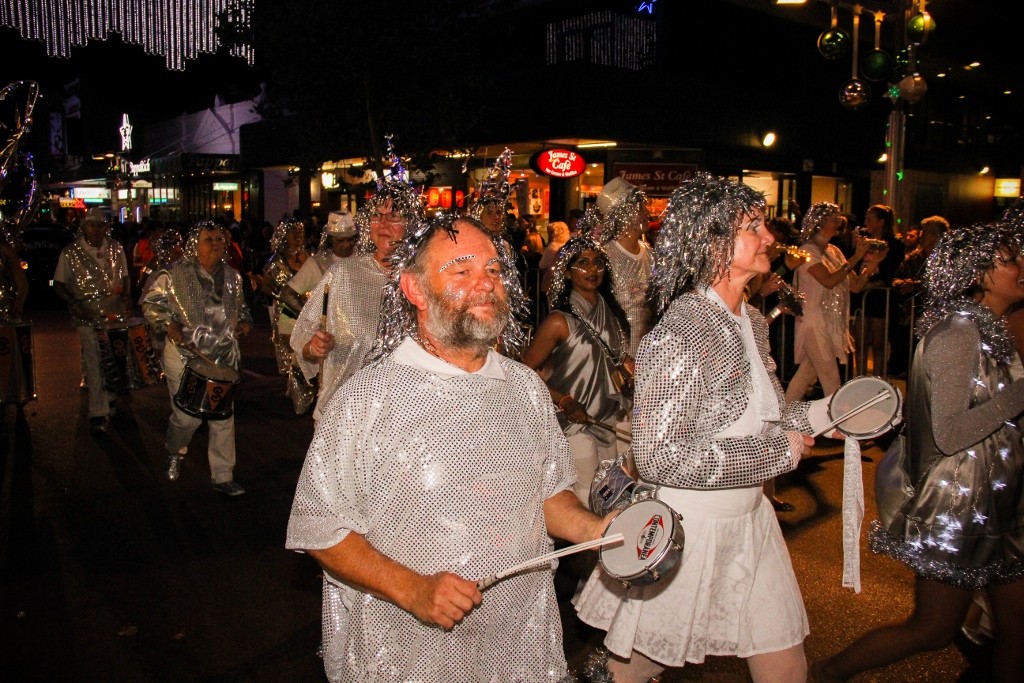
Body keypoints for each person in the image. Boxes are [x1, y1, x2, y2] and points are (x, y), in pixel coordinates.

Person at [285, 213, 612, 683]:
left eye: (494, 270)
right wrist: (413, 590)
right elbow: (320, 526)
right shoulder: (368, 398)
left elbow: (547, 497)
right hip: (409, 652)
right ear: (415, 290)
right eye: (461, 270)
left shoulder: (524, 388)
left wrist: (596, 528)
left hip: (518, 645)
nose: (486, 284)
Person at [575, 173, 842, 683]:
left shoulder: (753, 321)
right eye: (754, 228)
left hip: (751, 522)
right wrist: (774, 455)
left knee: (787, 666)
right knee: (633, 668)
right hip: (688, 532)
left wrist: (836, 414)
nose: (769, 238)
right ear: (712, 243)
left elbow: (769, 414)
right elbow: (661, 457)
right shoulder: (679, 333)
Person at [813, 221, 1024, 682]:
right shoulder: (958, 334)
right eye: (1010, 260)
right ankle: (826, 673)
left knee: (1018, 627)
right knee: (932, 630)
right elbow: (949, 434)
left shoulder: (996, 330)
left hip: (1002, 498)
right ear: (979, 272)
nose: (1021, 266)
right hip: (962, 508)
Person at [289, 180, 422, 421]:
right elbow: (303, 337)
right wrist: (315, 347)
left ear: (411, 223)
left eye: (393, 216)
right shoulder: (343, 274)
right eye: (376, 216)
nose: (382, 224)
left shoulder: (425, 278)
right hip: (344, 414)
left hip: (405, 416)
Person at [142, 221, 252, 496]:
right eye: (209, 239)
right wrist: (169, 324)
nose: (216, 243)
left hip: (223, 357)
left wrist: (244, 323)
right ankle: (174, 450)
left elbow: (243, 310)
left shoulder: (233, 277)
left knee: (223, 417)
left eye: (219, 238)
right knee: (186, 416)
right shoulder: (174, 274)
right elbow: (150, 303)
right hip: (184, 355)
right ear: (195, 245)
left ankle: (223, 475)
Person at [521, 235, 631, 505]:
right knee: (584, 493)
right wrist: (564, 400)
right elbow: (524, 372)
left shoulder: (613, 315)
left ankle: (603, 545)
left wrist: (627, 375)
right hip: (574, 423)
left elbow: (614, 360)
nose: (592, 270)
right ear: (568, 273)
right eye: (582, 263)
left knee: (611, 494)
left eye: (597, 263)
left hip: (608, 418)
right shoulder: (559, 322)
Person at [784, 202, 878, 404]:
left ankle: (780, 416)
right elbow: (828, 281)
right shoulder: (807, 251)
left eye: (838, 218)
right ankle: (840, 427)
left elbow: (855, 285)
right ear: (819, 223)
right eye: (833, 219)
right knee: (830, 377)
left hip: (829, 322)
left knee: (806, 374)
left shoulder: (834, 251)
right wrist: (856, 257)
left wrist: (873, 263)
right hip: (813, 322)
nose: (838, 223)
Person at [52, 207, 132, 433]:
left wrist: (127, 300)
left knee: (114, 358)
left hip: (114, 315)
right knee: (94, 360)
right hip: (87, 317)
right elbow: (59, 285)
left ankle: (110, 396)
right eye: (92, 225)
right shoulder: (70, 253)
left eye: (101, 225)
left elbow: (125, 277)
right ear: (84, 227)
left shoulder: (116, 249)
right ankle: (98, 411)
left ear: (106, 228)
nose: (97, 230)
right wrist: (76, 305)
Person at [594, 177, 654, 359]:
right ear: (623, 213)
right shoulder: (604, 256)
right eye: (640, 208)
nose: (647, 213)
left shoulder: (650, 253)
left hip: (651, 357)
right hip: (619, 359)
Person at [889, 215, 949, 376]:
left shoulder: (947, 260)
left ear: (938, 236)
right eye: (922, 232)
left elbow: (943, 283)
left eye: (927, 233)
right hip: (912, 316)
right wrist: (901, 284)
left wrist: (915, 285)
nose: (921, 235)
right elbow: (896, 276)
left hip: (938, 317)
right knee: (912, 361)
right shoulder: (913, 258)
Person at [853, 204, 904, 376]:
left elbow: (891, 270)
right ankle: (859, 378)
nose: (866, 222)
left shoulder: (893, 244)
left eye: (870, 219)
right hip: (862, 295)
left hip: (880, 297)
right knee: (861, 342)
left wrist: (873, 282)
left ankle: (878, 380)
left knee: (878, 343)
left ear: (881, 222)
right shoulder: (863, 241)